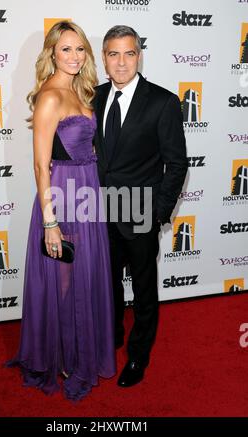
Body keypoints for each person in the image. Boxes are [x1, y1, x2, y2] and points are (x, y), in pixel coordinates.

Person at [6, 21, 116, 401]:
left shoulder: (81, 90)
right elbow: (40, 164)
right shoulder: (50, 96)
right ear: (52, 52)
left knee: (84, 275)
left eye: (80, 49)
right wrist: (50, 222)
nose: (74, 56)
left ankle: (78, 349)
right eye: (66, 49)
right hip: (63, 195)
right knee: (66, 278)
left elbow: (88, 146)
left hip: (88, 191)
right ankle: (65, 356)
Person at [93, 25, 187, 388]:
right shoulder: (94, 97)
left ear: (139, 55)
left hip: (141, 213)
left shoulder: (163, 102)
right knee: (109, 283)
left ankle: (138, 355)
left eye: (128, 53)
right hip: (100, 212)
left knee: (145, 289)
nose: (121, 62)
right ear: (104, 58)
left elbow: (176, 164)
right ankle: (113, 334)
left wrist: (159, 212)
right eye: (113, 54)